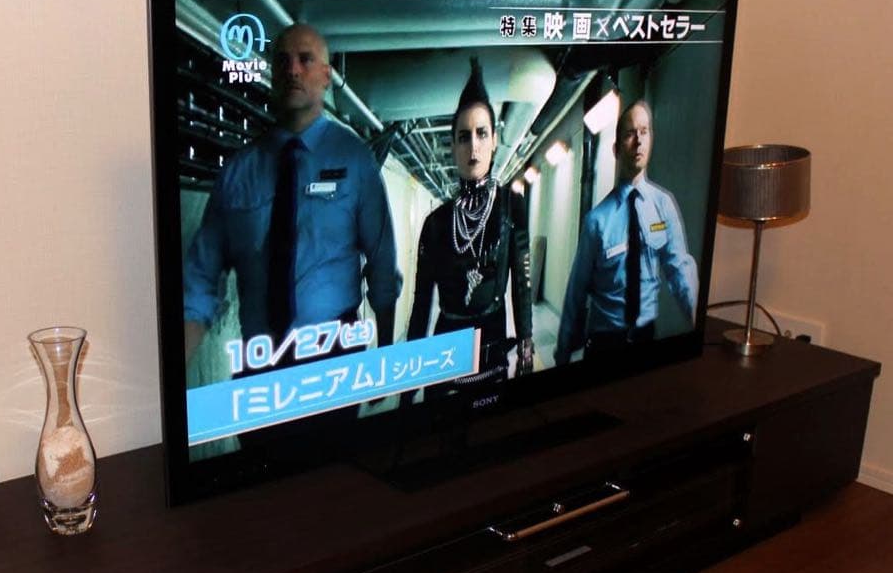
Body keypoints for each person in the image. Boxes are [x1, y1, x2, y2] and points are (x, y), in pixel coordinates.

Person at [182, 23, 401, 366]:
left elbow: (382, 264)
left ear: (326, 76)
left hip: (335, 354)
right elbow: (200, 280)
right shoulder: (239, 172)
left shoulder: (355, 160)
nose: (293, 70)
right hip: (261, 361)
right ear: (272, 74)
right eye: (283, 61)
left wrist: (386, 361)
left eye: (305, 59)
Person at [405, 58, 534, 399]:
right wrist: (408, 380)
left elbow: (521, 285)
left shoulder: (511, 206)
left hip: (492, 348)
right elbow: (421, 305)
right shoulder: (435, 223)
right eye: (464, 137)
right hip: (444, 355)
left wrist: (526, 343)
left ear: (494, 140)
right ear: (453, 145)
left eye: (481, 134)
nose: (473, 146)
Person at [554, 100, 697, 365]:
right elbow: (577, 291)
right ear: (616, 148)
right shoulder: (596, 221)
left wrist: (698, 325)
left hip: (646, 339)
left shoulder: (663, 205)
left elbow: (680, 269)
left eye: (644, 131)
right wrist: (562, 354)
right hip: (605, 344)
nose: (638, 141)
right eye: (630, 133)